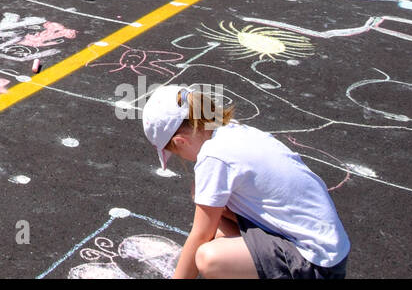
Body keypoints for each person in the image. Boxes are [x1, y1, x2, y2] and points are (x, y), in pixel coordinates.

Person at [142, 83, 350, 279]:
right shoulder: (233, 131)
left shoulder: (214, 155)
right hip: (325, 249)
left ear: (181, 141)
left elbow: (200, 236)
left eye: (175, 152)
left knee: (209, 257)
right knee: (213, 207)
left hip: (316, 263)